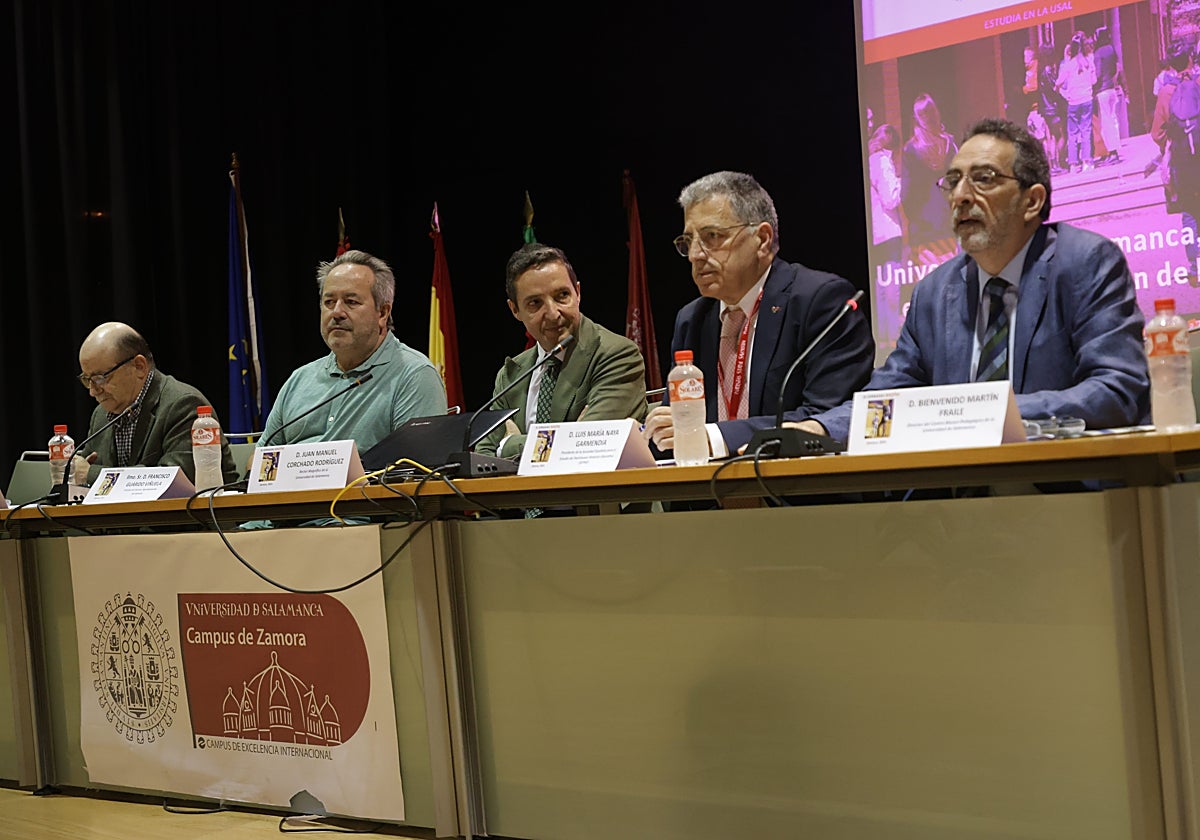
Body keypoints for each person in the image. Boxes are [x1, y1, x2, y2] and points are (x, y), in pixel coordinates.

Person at [788, 117, 1149, 444]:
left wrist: (987, 415)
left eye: (983, 179)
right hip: (960, 494)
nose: (960, 196)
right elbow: (888, 398)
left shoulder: (1085, 263)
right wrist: (821, 428)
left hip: (1065, 490)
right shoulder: (935, 291)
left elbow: (1117, 390)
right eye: (953, 180)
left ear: (1032, 201)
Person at [642, 171, 874, 459]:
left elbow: (826, 414)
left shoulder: (820, 300)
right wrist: (661, 431)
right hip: (710, 495)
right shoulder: (692, 319)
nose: (695, 255)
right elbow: (679, 424)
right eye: (689, 241)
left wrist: (715, 436)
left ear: (762, 239)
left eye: (712, 237)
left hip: (797, 492)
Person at [259, 249, 447, 453]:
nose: (337, 312)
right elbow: (260, 461)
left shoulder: (413, 375)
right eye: (329, 302)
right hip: (294, 485)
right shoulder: (299, 380)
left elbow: (417, 469)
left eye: (351, 302)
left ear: (383, 312)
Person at [475, 243, 649, 459]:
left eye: (562, 296)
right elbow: (483, 457)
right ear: (515, 310)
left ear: (577, 292)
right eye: (535, 303)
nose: (553, 312)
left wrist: (509, 445)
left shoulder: (616, 355)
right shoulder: (511, 375)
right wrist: (566, 437)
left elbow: (585, 447)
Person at [76, 322, 238, 485]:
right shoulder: (101, 416)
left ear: (139, 367)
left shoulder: (184, 405)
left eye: (100, 378)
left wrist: (92, 475)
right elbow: (83, 474)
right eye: (87, 380)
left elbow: (173, 481)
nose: (93, 391)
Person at [901, 93, 959, 257]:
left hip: (923, 228)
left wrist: (915, 217)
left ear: (916, 118)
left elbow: (906, 195)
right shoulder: (950, 144)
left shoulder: (910, 149)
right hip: (949, 223)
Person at [1057, 33, 1097, 172]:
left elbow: (1058, 83)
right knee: (1086, 131)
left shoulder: (1068, 65)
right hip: (1087, 99)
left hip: (1073, 102)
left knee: (1072, 133)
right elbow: (1094, 81)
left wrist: (1065, 93)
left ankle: (1073, 164)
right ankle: (1087, 161)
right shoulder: (1088, 62)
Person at [868, 123, 904, 265]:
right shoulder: (882, 161)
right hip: (889, 234)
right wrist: (902, 181)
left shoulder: (869, 161)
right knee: (892, 286)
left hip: (876, 235)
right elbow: (890, 199)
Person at [1093, 26, 1123, 165]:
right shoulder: (1112, 49)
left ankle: (1112, 152)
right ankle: (1116, 149)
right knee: (1114, 120)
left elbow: (1097, 74)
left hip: (1102, 91)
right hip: (1111, 88)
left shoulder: (1098, 53)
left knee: (1106, 123)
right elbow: (1117, 68)